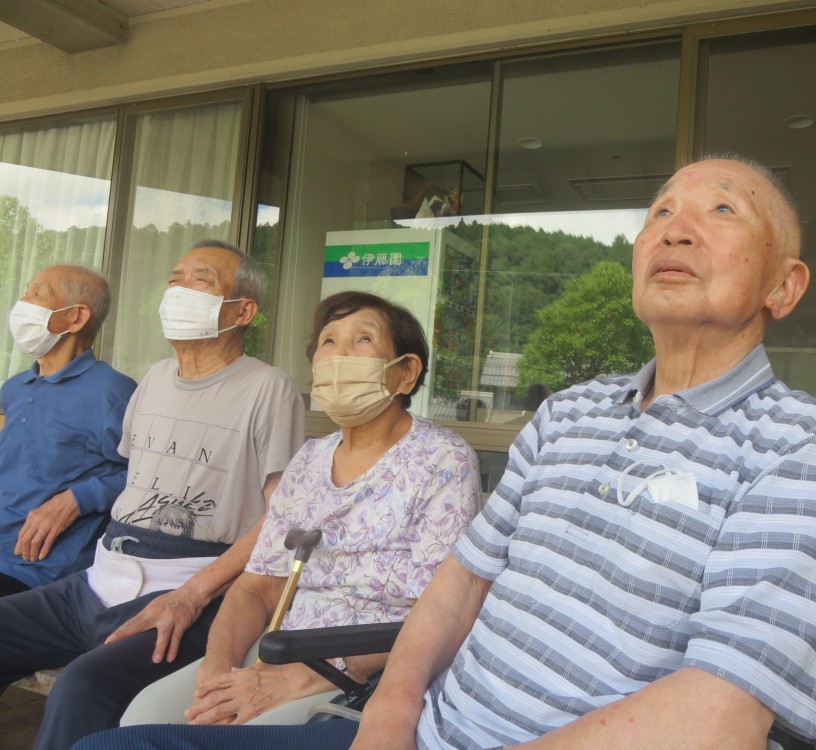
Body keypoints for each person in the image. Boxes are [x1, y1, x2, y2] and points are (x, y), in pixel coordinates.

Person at [70, 155, 816, 750]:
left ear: (785, 286)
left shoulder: (804, 448)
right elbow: (462, 583)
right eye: (661, 210)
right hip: (422, 724)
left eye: (722, 211)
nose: (675, 226)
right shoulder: (570, 413)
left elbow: (722, 712)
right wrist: (391, 711)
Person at [118, 290, 481, 727]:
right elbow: (257, 588)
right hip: (275, 651)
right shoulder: (308, 459)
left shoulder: (443, 460)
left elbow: (436, 610)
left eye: (362, 340)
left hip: (362, 671)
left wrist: (300, 678)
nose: (338, 355)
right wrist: (217, 666)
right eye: (328, 342)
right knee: (142, 719)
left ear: (405, 372)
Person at [0, 240, 305, 750]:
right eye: (173, 277)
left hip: (182, 582)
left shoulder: (268, 389)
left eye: (200, 279)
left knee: (83, 688)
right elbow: (130, 478)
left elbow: (283, 518)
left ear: (242, 310)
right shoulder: (156, 379)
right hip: (100, 577)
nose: (177, 288)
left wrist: (193, 595)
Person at [0, 265, 136, 596]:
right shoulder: (15, 387)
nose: (23, 301)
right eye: (27, 290)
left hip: (33, 571)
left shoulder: (114, 393)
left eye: (37, 293)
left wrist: (77, 498)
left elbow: (149, 479)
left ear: (76, 318)